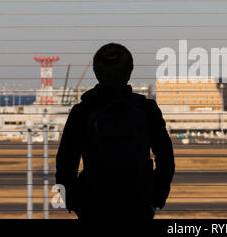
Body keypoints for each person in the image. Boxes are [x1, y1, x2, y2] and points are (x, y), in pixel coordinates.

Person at [56, 43, 175, 223]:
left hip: (94, 205)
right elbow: (166, 158)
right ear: (129, 71)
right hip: (138, 204)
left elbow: (65, 162)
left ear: (96, 71)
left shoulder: (82, 111)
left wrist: (73, 201)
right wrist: (156, 197)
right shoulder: (146, 109)